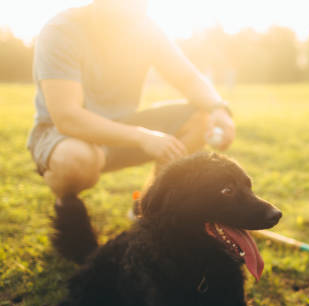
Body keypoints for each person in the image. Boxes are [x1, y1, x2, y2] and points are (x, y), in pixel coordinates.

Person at [27, 0, 235, 209]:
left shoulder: (146, 29)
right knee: (75, 159)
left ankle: (149, 207)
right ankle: (67, 210)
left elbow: (187, 78)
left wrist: (218, 108)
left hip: (123, 126)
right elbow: (67, 117)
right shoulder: (62, 30)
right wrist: (142, 136)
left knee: (201, 118)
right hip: (64, 135)